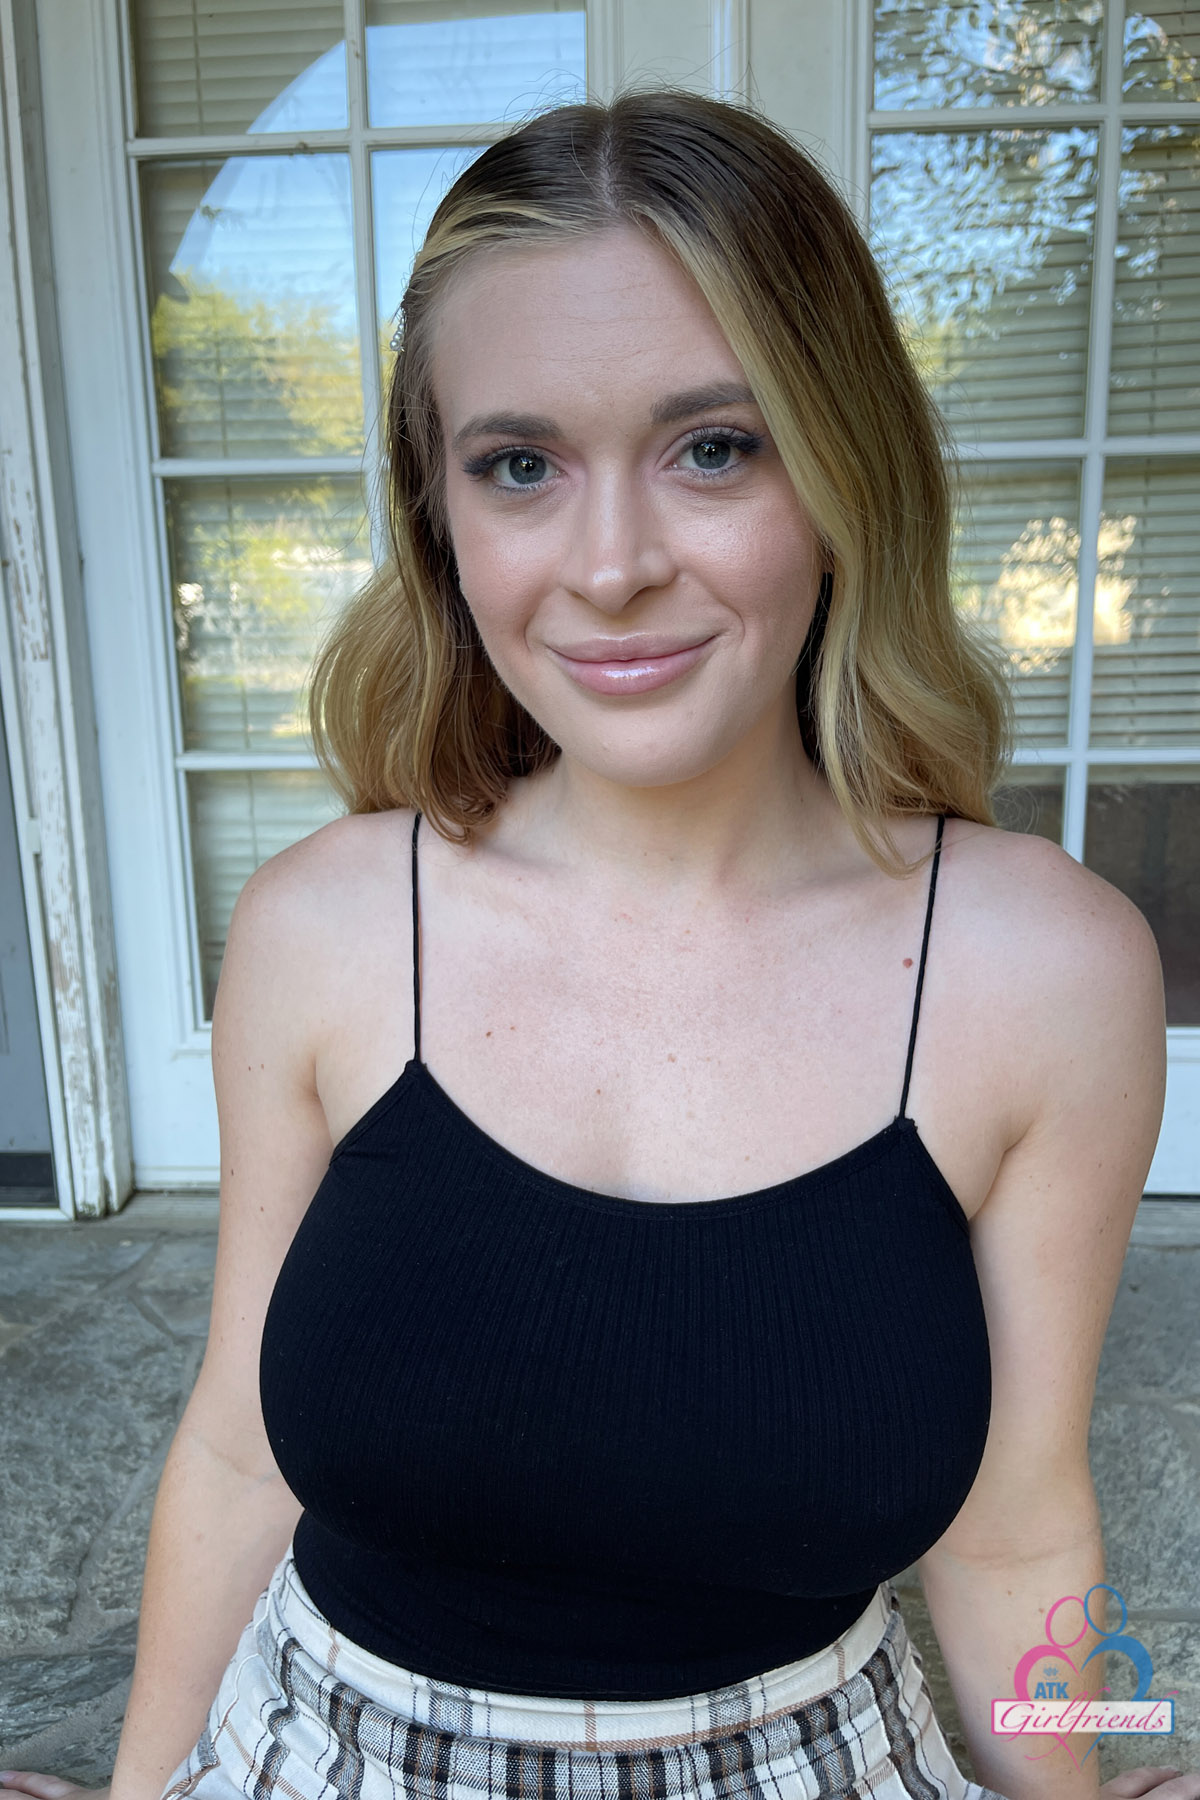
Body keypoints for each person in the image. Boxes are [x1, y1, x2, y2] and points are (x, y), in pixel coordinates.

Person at [2, 88, 1193, 1800]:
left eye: (715, 448)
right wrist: (138, 1791)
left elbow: (1020, 1534)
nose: (615, 564)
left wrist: (1097, 1768)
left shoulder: (1045, 973)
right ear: (441, 515)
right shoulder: (328, 927)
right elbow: (242, 1452)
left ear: (843, 467)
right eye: (520, 466)